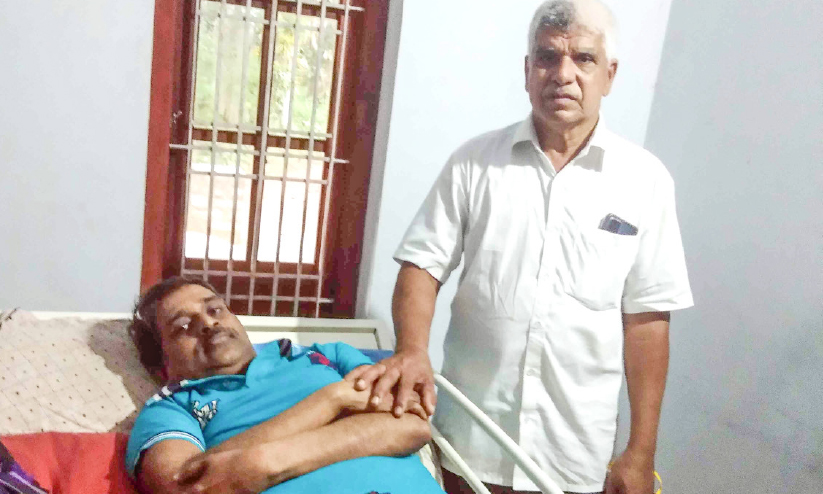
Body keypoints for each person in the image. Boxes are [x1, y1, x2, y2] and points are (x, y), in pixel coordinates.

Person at [347, 1, 694, 493]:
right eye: (548, 57)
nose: (563, 74)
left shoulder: (645, 182)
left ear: (610, 75)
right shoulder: (474, 163)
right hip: (469, 441)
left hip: (573, 456)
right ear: (528, 70)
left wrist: (641, 450)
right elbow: (422, 265)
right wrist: (411, 351)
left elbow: (647, 321)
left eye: (584, 59)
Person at [124, 276, 445, 494]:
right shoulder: (171, 408)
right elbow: (185, 486)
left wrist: (260, 465)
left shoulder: (328, 355)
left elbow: (411, 425)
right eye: (183, 326)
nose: (209, 323)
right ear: (160, 365)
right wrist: (331, 400)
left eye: (215, 309)